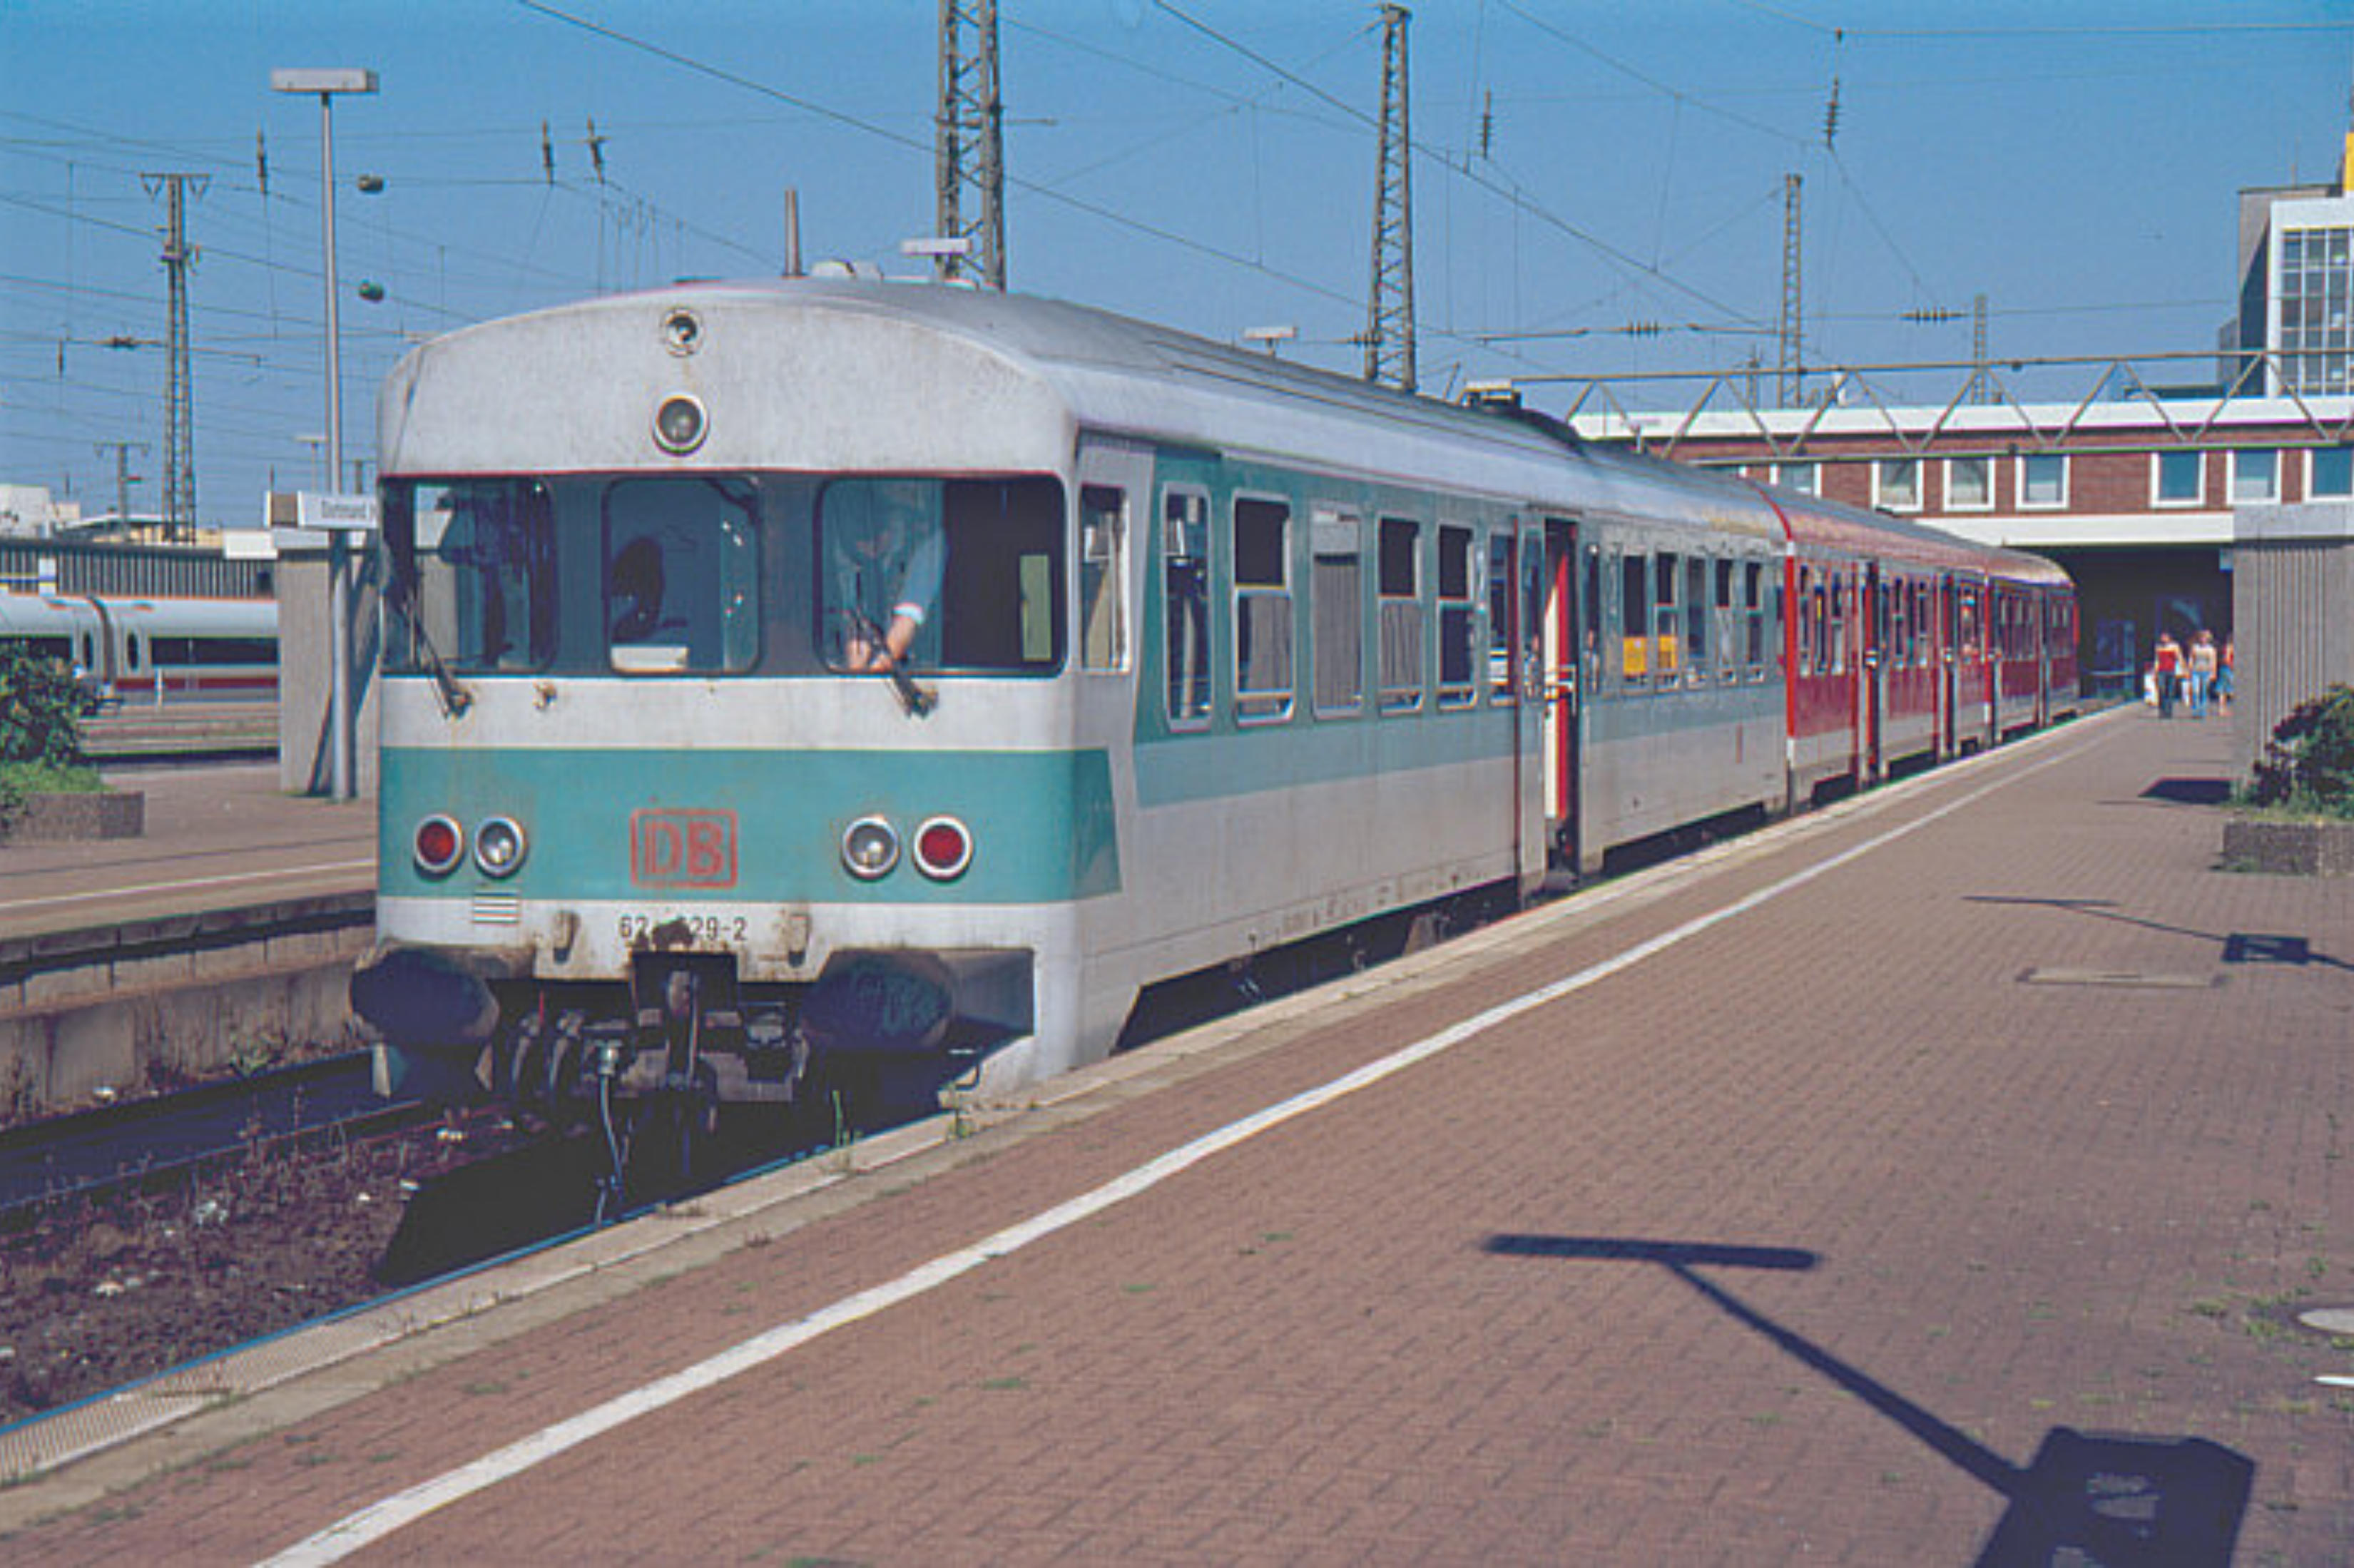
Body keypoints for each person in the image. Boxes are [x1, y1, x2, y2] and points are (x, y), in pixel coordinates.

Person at [829, 480, 946, 672]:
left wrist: (874, 670)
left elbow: (908, 618)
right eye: (858, 542)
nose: (870, 548)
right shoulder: (836, 558)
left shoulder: (925, 548)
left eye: (877, 538)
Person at [2187, 628, 2218, 720]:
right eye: (2201, 638)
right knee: (2195, 691)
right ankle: (2195, 711)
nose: (2203, 640)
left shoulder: (2211, 649)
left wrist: (2213, 673)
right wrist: (2189, 670)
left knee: (2204, 691)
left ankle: (2203, 711)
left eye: (2205, 638)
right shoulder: (2195, 647)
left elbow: (2213, 661)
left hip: (2206, 671)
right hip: (2196, 671)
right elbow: (2191, 659)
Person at [2152, 630, 2181, 719]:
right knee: (2161, 690)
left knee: (2170, 691)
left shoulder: (2175, 646)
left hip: (2171, 670)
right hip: (2161, 670)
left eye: (2165, 637)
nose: (2164, 639)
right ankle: (2162, 710)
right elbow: (2157, 660)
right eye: (2162, 637)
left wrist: (2182, 669)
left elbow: (2179, 658)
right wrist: (2155, 672)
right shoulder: (2158, 647)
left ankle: (2169, 711)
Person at [2215, 634, 2234, 716]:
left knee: (2223, 691)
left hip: (2224, 669)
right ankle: (2222, 709)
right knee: (2227, 690)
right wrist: (2232, 666)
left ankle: (2222, 709)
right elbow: (2227, 659)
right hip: (2228, 669)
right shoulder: (2230, 648)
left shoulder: (2226, 647)